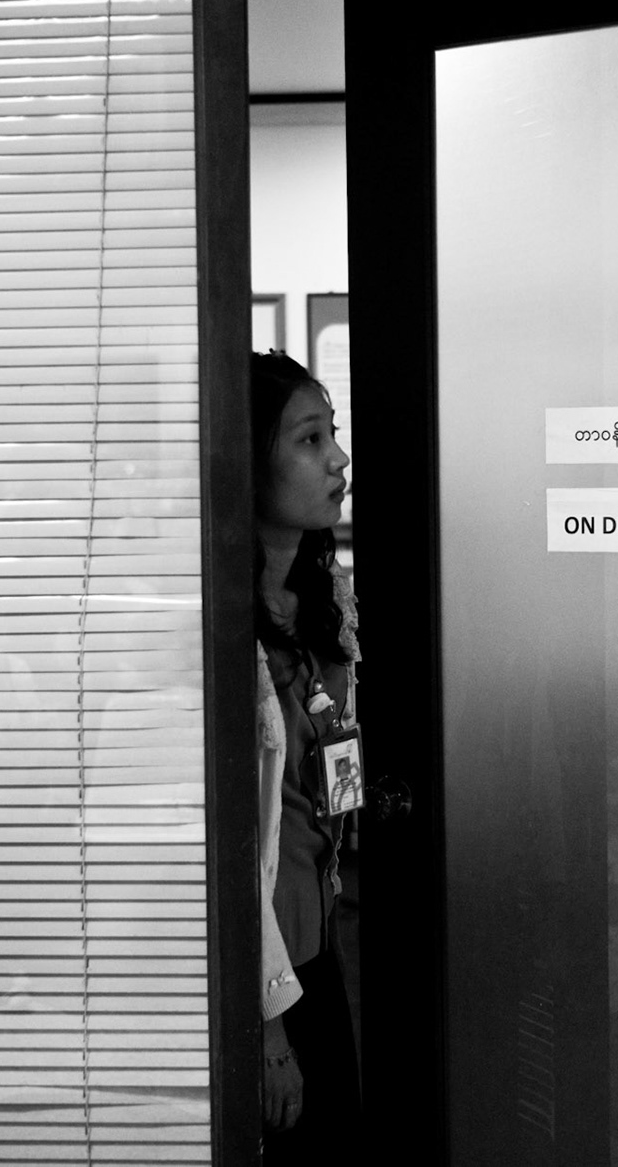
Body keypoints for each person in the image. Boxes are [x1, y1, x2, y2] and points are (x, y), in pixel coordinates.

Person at [251, 351, 360, 1160]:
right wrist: (270, 1033)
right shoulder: (225, 626)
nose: (337, 458)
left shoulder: (321, 599)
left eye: (334, 434)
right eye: (309, 438)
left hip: (323, 947)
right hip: (269, 977)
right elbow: (225, 851)